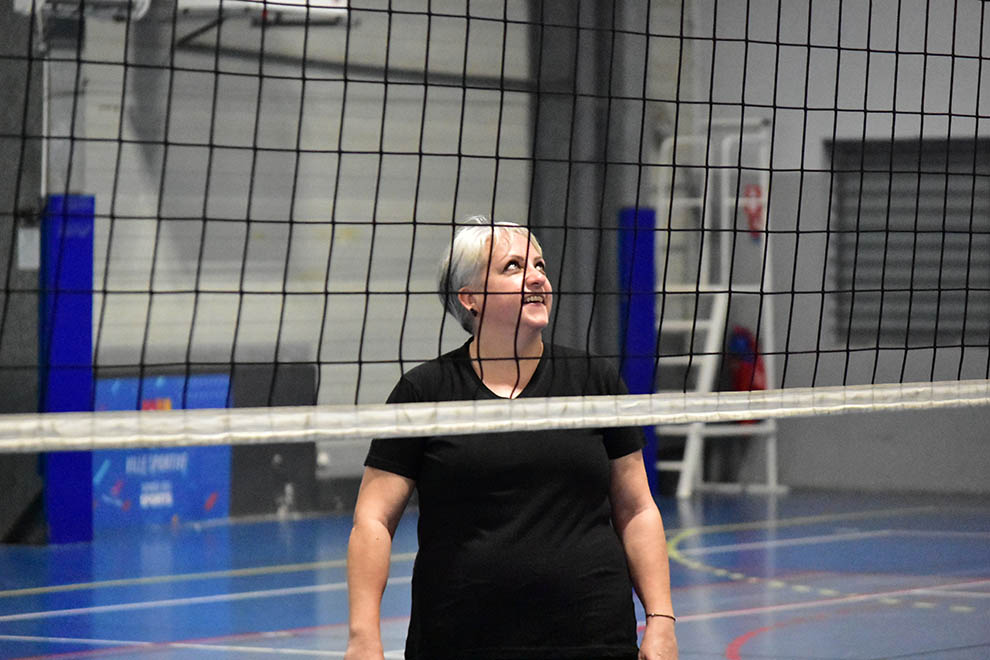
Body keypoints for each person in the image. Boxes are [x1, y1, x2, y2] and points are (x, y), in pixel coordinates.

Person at [345, 217, 678, 660]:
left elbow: (637, 510)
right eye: (514, 267)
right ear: (470, 298)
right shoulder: (424, 392)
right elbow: (373, 520)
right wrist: (363, 635)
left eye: (540, 265)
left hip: (592, 637)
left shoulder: (594, 381)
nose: (537, 277)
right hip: (459, 641)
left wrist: (661, 619)